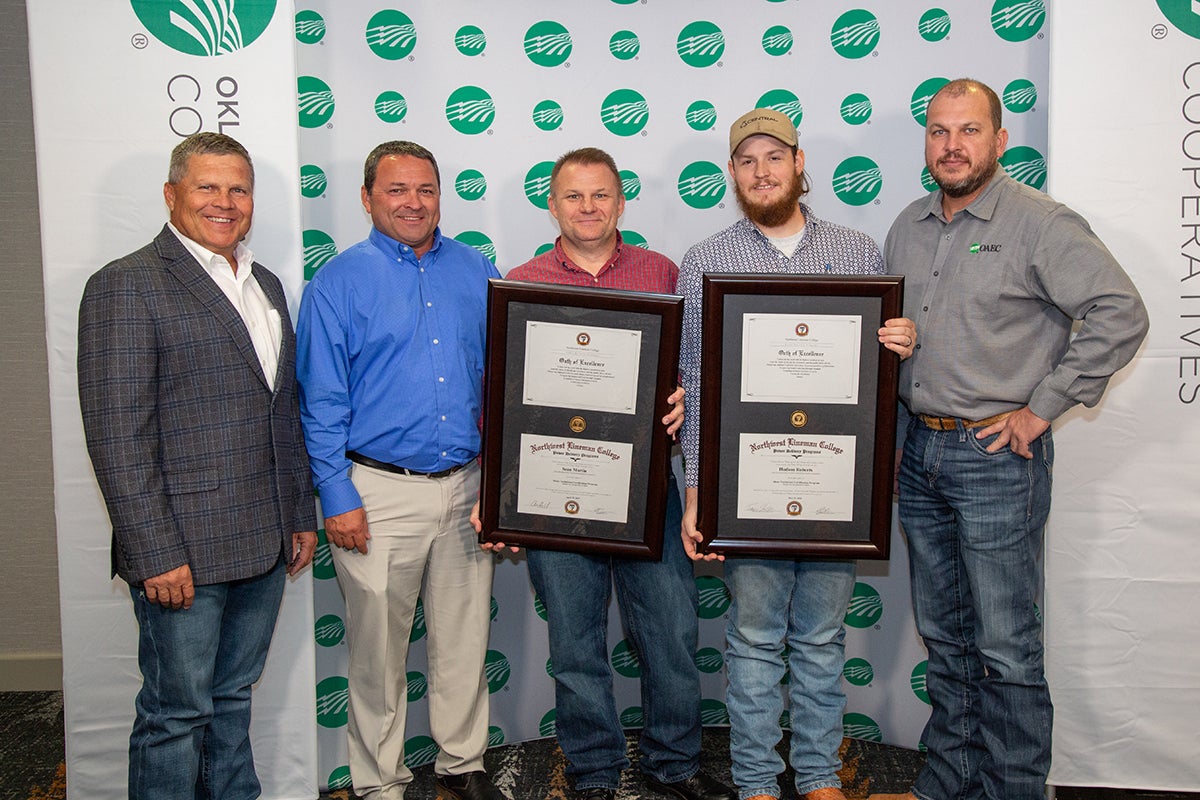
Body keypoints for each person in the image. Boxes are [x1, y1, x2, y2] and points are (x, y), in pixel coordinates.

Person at [869, 79, 1149, 800]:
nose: (952, 146)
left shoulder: (1040, 223)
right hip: (919, 453)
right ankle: (950, 783)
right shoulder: (906, 226)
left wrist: (1042, 407)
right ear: (925, 142)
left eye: (968, 131)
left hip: (997, 457)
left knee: (1006, 648)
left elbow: (1120, 312)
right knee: (948, 637)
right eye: (938, 131)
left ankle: (1016, 790)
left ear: (999, 140)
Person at [677, 109, 916, 800]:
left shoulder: (857, 252)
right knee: (752, 642)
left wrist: (898, 344)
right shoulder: (706, 261)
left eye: (773, 157)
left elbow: (873, 388)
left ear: (799, 162)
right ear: (732, 173)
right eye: (746, 160)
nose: (761, 171)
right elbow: (693, 380)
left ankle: (816, 779)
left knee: (819, 640)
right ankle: (755, 782)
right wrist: (698, 489)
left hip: (835, 489)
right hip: (747, 487)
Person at [482, 147, 734, 800]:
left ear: (621, 203)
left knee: (672, 638)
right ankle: (593, 774)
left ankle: (672, 767)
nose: (588, 208)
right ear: (552, 205)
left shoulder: (662, 273)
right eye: (574, 196)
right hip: (553, 489)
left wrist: (681, 395)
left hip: (648, 486)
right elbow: (504, 397)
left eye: (601, 195)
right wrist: (499, 492)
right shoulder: (523, 280)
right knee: (574, 647)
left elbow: (694, 368)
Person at [77, 131, 318, 800]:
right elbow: (118, 436)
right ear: (171, 194)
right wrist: (154, 552)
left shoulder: (263, 282)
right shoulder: (124, 286)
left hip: (264, 539)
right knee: (175, 714)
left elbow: (282, 411)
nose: (225, 201)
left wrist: (298, 514)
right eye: (207, 186)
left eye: (238, 188)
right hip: (181, 552)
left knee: (232, 699)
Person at [296, 141, 505, 800]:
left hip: (468, 486)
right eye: (396, 190)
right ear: (367, 198)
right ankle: (380, 783)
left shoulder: (479, 271)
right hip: (376, 492)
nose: (413, 202)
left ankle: (461, 764)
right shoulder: (336, 283)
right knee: (376, 653)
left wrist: (499, 485)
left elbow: (506, 384)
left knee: (464, 638)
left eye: (425, 189)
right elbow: (320, 401)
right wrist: (336, 494)